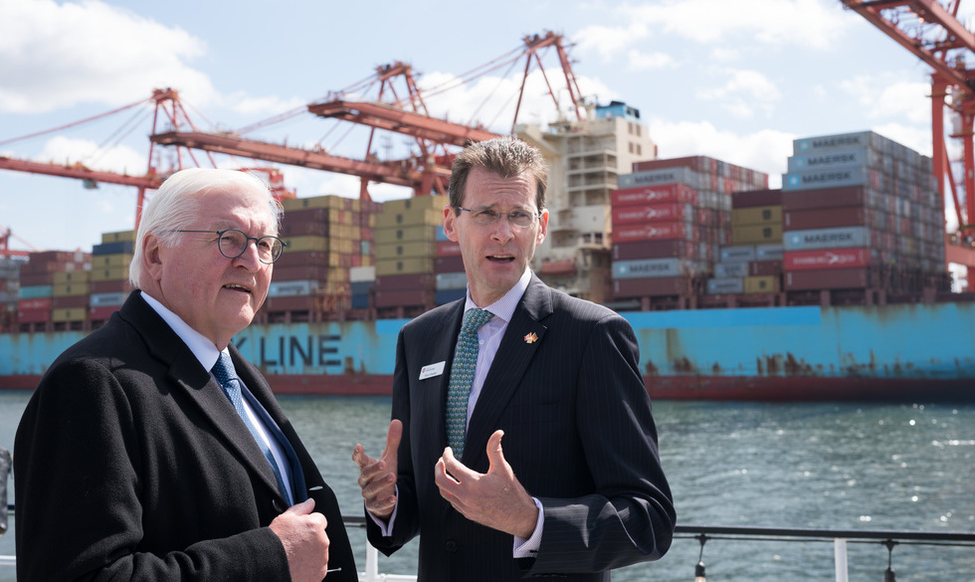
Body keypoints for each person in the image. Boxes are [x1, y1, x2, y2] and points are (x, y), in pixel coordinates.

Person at [353, 137, 676, 581]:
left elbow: (649, 518)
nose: (503, 232)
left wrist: (531, 519)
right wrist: (388, 504)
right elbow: (421, 497)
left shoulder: (593, 336)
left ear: (540, 226)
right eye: (485, 213)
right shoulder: (418, 339)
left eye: (519, 216)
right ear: (451, 222)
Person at [14, 168, 356, 582]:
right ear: (156, 254)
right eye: (228, 239)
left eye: (265, 245)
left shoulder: (234, 374)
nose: (251, 261)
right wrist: (271, 558)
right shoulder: (92, 383)